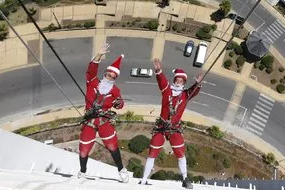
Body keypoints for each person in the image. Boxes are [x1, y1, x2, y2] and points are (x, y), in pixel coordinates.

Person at [139, 58, 204, 188]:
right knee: (152, 153)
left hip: (174, 128)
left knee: (180, 154)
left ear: (184, 82)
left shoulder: (185, 95)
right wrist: (158, 71)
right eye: (177, 80)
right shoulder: (167, 91)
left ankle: (185, 179)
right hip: (162, 127)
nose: (179, 82)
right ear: (174, 81)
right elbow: (162, 82)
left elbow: (194, 90)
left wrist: (198, 83)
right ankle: (144, 180)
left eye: (181, 81)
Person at [77, 44, 129, 183]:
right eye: (108, 74)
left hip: (104, 120)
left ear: (114, 79)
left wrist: (118, 104)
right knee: (84, 148)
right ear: (104, 74)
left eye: (112, 77)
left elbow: (120, 103)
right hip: (90, 120)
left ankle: (121, 170)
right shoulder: (93, 83)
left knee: (112, 146)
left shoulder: (115, 90)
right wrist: (98, 55)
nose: (109, 77)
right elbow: (91, 70)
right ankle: (82, 171)